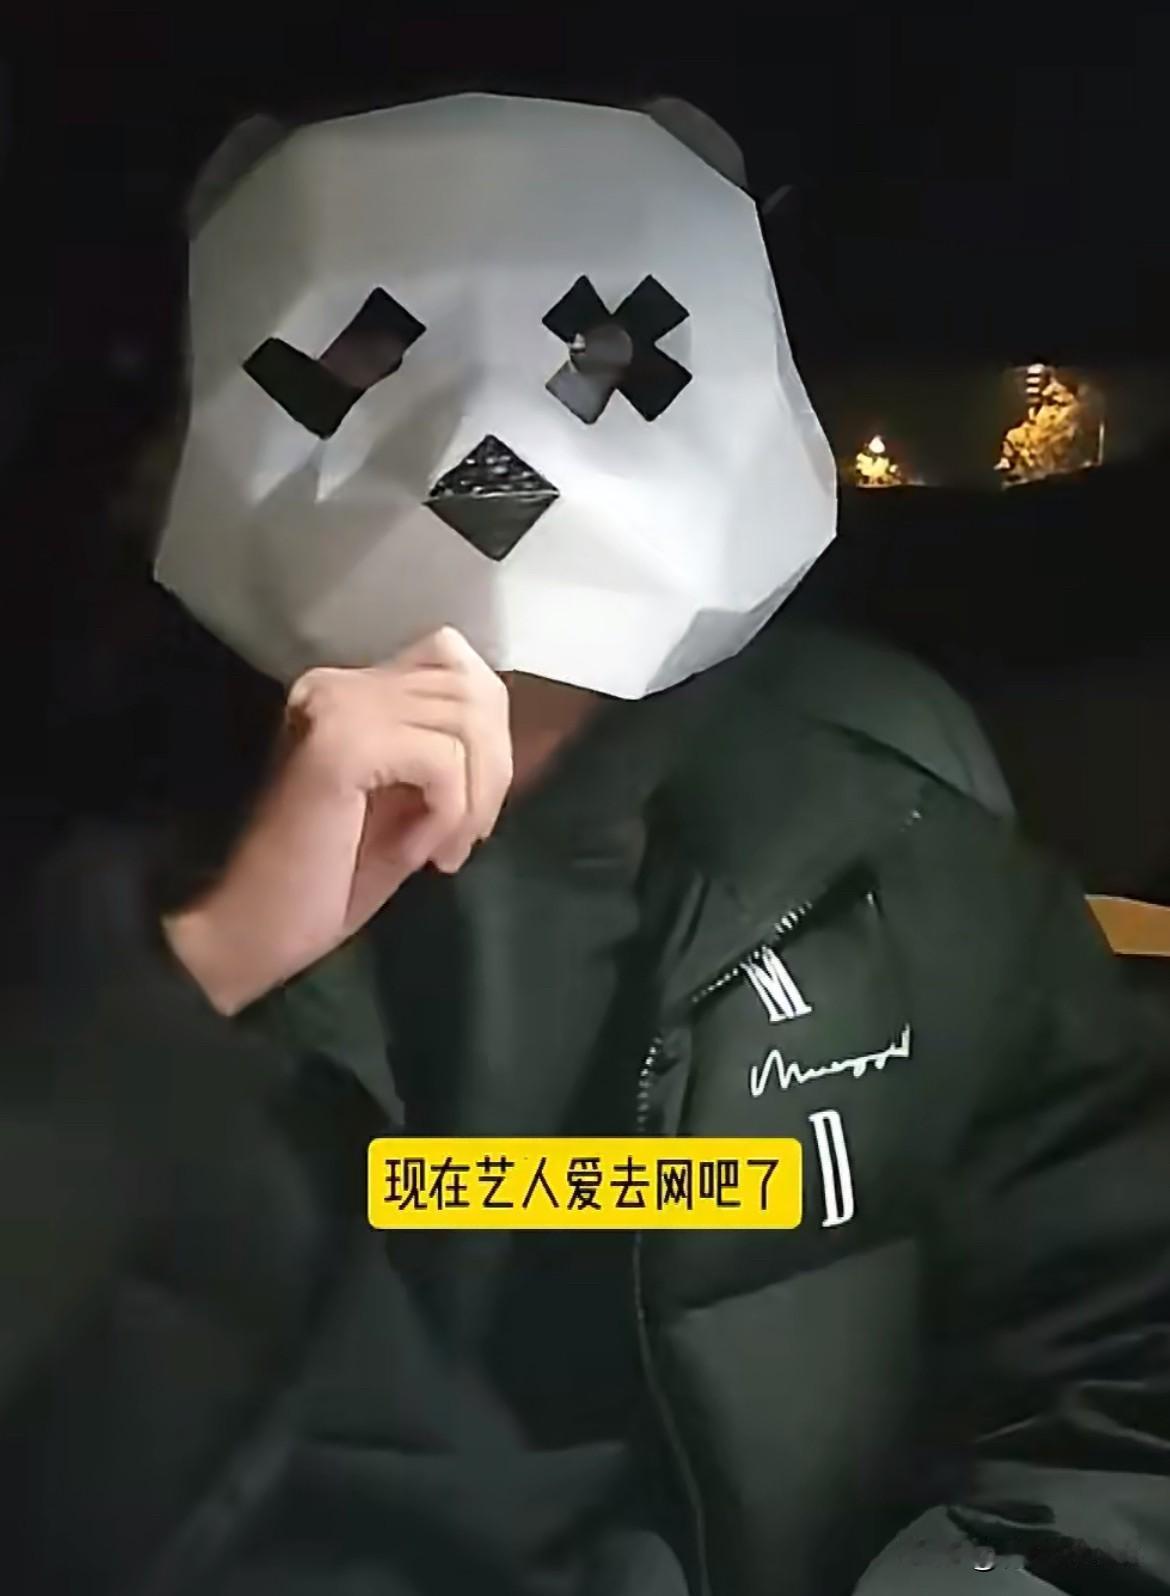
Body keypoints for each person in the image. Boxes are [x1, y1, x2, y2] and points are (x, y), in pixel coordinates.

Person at [2, 91, 1169, 1596]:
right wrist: (192, 975)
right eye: (362, 364)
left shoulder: (889, 858)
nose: (487, 449)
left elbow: (1130, 1364)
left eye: (604, 361)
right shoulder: (71, 864)